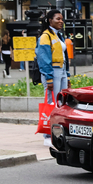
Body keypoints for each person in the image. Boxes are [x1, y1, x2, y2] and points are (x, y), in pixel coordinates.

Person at [37, 9, 70, 146]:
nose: (61, 21)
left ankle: (58, 134)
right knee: (52, 104)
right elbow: (43, 58)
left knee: (61, 104)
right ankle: (47, 136)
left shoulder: (58, 35)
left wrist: (67, 76)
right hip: (53, 72)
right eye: (57, 19)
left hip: (61, 71)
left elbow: (65, 57)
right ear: (50, 20)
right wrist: (49, 78)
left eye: (62, 19)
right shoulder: (45, 36)